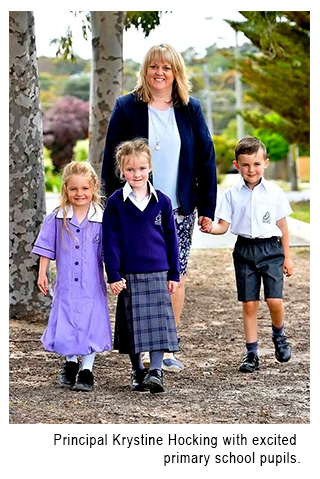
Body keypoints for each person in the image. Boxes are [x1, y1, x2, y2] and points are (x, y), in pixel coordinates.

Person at [101, 43, 217, 372]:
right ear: (145, 70)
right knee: (136, 277)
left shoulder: (190, 108)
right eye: (154, 66)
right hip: (134, 209)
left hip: (179, 207)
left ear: (175, 72)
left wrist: (207, 206)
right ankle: (139, 347)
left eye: (166, 67)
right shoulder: (127, 107)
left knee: (173, 275)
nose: (159, 73)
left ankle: (165, 348)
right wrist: (109, 206)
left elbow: (206, 159)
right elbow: (112, 156)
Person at [201, 136, 293, 372]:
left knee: (274, 300)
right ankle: (251, 353)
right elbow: (223, 226)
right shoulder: (232, 194)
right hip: (244, 250)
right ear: (236, 165)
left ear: (266, 163)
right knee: (249, 304)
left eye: (256, 164)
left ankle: (279, 335)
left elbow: (283, 227)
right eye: (245, 165)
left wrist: (287, 257)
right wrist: (210, 227)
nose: (251, 169)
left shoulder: (274, 192)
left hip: (271, 250)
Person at [102, 139, 180, 393]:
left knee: (158, 325)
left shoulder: (163, 201)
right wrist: (113, 274)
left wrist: (174, 273)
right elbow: (110, 241)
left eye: (142, 169)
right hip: (128, 273)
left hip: (158, 271)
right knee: (133, 326)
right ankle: (137, 371)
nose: (137, 174)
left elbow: (171, 239)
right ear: (122, 171)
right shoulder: (115, 203)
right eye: (130, 170)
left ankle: (155, 371)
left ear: (150, 168)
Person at [32, 161, 112, 391]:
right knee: (67, 321)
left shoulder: (101, 218)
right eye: (74, 189)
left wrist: (117, 275)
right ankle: (69, 364)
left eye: (85, 188)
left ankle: (86, 370)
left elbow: (110, 252)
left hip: (91, 285)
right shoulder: (57, 218)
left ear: (94, 188)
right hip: (66, 285)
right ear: (66, 189)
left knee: (91, 323)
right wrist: (42, 272)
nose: (80, 194)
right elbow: (47, 247)